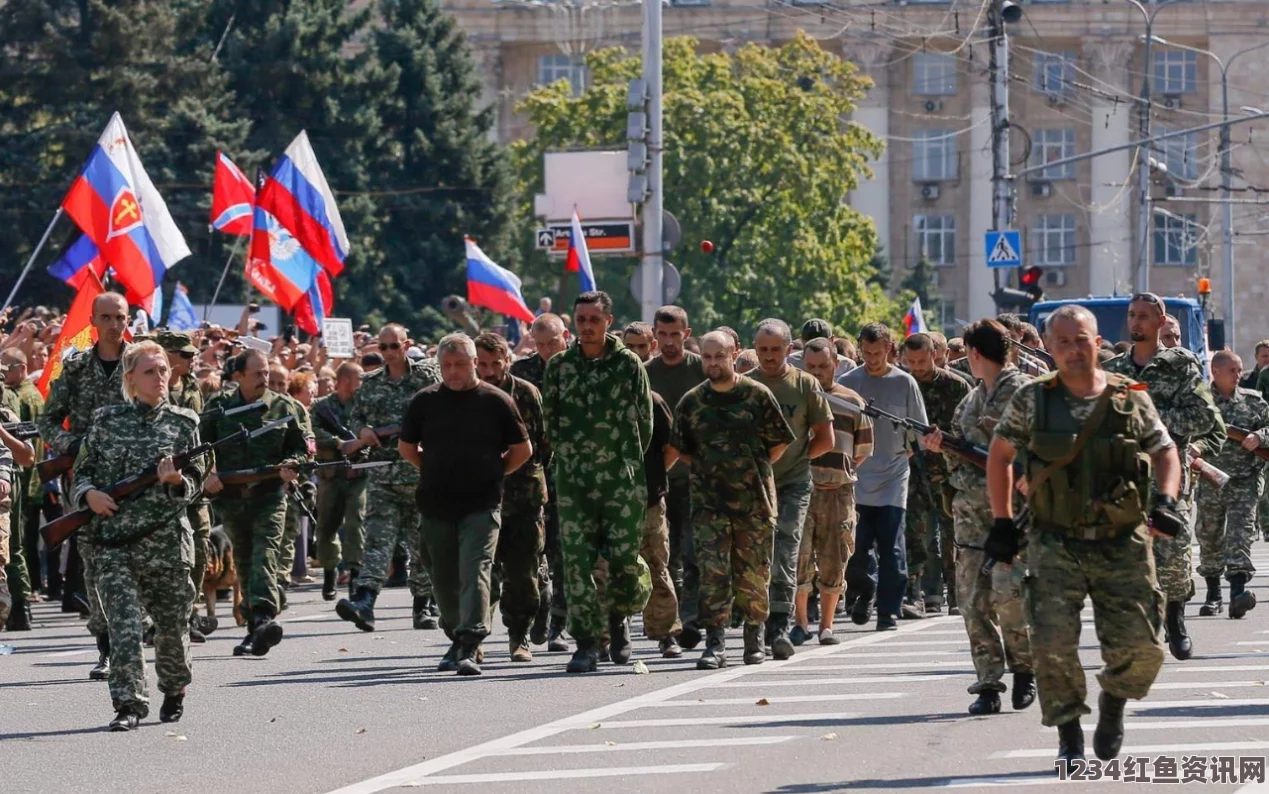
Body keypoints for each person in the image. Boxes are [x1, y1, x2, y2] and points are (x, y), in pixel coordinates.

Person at [987, 304, 1183, 768]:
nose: (1074, 350)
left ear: (1098, 343)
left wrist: (1167, 501)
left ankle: (1113, 701)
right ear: (1050, 348)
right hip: (1055, 541)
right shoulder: (1033, 399)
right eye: (1063, 342)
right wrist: (1001, 521)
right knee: (1052, 644)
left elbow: (1166, 451)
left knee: (1142, 645)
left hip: (1123, 540)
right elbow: (1000, 456)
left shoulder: (1129, 398)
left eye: (1082, 340)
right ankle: (1069, 734)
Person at [72, 341, 206, 730]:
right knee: (125, 626)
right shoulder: (106, 421)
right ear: (131, 378)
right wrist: (89, 495)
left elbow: (198, 481)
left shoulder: (185, 423)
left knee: (171, 630)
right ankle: (128, 704)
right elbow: (83, 472)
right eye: (150, 371)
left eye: (164, 369)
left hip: (166, 544)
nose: (160, 377)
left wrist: (177, 480)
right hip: (115, 544)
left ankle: (175, 687)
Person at [400, 334, 531, 676]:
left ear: (475, 363)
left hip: (481, 504)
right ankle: (457, 635)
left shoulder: (496, 401)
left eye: (460, 364)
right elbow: (407, 447)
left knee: (475, 569)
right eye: (447, 366)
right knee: (443, 577)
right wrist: (430, 468)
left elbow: (522, 450)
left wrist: (494, 472)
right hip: (436, 504)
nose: (454, 372)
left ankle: (470, 640)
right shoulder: (424, 402)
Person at [1103, 292, 1223, 660]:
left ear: (1160, 321)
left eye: (1143, 316)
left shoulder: (1180, 365)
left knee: (1173, 557)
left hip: (1169, 476)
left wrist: (1152, 418)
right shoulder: (1116, 370)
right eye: (1131, 315)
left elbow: (1205, 419)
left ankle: (1175, 617)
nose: (1136, 322)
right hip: (1125, 477)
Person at [926, 319, 1035, 716]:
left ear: (974, 353)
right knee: (973, 603)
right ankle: (988, 682)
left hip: (1015, 517)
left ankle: (1025, 670)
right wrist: (943, 447)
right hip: (971, 515)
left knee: (1010, 598)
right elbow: (962, 447)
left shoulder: (1023, 391)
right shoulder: (971, 400)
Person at [542, 291, 653, 673]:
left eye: (594, 319)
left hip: (621, 483)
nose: (586, 326)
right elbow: (550, 421)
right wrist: (573, 457)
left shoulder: (628, 365)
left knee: (622, 560)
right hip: (574, 481)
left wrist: (622, 461)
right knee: (576, 563)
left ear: (608, 320)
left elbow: (646, 424)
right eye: (581, 319)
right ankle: (587, 642)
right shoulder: (559, 366)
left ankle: (620, 621)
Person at [669, 331, 794, 668]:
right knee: (713, 574)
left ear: (734, 354)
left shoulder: (757, 395)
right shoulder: (692, 401)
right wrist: (713, 470)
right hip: (710, 505)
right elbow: (682, 449)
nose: (712, 363)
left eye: (719, 356)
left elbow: (779, 442)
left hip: (754, 503)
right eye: (707, 357)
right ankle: (716, 642)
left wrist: (753, 467)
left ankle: (754, 639)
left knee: (753, 573)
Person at [38, 292, 132, 680]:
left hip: (134, 478)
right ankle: (106, 648)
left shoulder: (142, 363)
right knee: (95, 565)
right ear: (93, 320)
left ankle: (135, 640)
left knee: (135, 563)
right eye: (106, 317)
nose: (114, 325)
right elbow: (48, 421)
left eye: (120, 317)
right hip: (88, 479)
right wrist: (71, 447)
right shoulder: (75, 369)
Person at [202, 350, 312, 657]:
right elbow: (199, 448)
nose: (265, 379)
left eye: (267, 373)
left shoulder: (286, 407)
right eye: (257, 374)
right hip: (232, 498)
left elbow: (305, 449)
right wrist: (208, 474)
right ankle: (256, 627)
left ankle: (264, 616)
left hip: (269, 494)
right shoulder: (218, 407)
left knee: (265, 555)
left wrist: (293, 464)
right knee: (246, 562)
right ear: (238, 376)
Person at [336, 324, 441, 634]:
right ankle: (365, 601)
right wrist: (364, 432)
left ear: (406, 345)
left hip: (419, 473)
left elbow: (440, 413)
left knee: (422, 545)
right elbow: (356, 418)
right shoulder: (369, 383)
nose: (388, 353)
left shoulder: (426, 378)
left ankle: (423, 604)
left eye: (393, 346)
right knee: (378, 542)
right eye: (382, 348)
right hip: (382, 473)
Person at [749, 319, 833, 658]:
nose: (769, 356)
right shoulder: (745, 385)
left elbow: (825, 439)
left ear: (789, 350)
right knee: (755, 553)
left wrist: (797, 458)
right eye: (763, 350)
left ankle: (780, 626)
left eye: (775, 349)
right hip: (754, 484)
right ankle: (753, 622)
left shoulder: (804, 385)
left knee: (785, 549)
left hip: (793, 483)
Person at [839, 323, 928, 631]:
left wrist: (903, 458)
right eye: (866, 353)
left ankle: (888, 612)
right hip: (856, 479)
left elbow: (918, 433)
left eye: (877, 353)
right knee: (856, 548)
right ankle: (864, 591)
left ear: (889, 348)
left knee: (892, 547)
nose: (872, 359)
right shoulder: (848, 382)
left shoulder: (904, 383)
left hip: (892, 477)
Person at [474, 332, 547, 662]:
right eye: (483, 364)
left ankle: (519, 636)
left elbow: (544, 444)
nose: (490, 371)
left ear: (507, 360)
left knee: (522, 572)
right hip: (479, 496)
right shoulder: (469, 396)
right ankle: (474, 635)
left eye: (495, 363)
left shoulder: (526, 394)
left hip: (523, 496)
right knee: (480, 571)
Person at [794, 339, 872, 645]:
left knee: (835, 556)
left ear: (835, 365)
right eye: (810, 367)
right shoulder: (797, 398)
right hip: (801, 487)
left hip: (838, 489)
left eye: (823, 366)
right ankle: (801, 622)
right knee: (799, 556)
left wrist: (841, 466)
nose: (816, 372)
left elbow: (863, 448)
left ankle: (827, 625)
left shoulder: (851, 401)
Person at [644, 305, 705, 648]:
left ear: (686, 333)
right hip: (659, 480)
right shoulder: (645, 373)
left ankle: (692, 619)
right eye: (662, 334)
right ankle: (670, 627)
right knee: (666, 558)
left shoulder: (701, 369)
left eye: (674, 334)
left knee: (695, 553)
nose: (668, 342)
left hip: (696, 478)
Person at [621, 322, 683, 658]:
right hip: (613, 500)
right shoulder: (606, 398)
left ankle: (665, 633)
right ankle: (613, 634)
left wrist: (655, 477)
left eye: (639, 348)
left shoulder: (653, 401)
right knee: (610, 567)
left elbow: (671, 448)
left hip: (648, 499)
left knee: (657, 565)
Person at [899, 333, 970, 618]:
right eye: (911, 361)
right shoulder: (902, 384)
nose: (916, 367)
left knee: (953, 536)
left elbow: (968, 429)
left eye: (921, 360)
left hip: (949, 471)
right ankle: (914, 596)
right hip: (913, 469)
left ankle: (955, 594)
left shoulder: (955, 386)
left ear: (934, 354)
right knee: (915, 534)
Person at [511, 312, 569, 650]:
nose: (547, 349)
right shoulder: (522, 374)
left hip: (568, 473)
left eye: (553, 342)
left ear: (566, 336)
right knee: (534, 550)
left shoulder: (578, 368)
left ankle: (558, 624)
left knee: (561, 552)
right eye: (540, 344)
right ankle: (541, 609)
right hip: (532, 475)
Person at [1195, 350, 1264, 619]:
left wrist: (1259, 436)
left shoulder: (1254, 402)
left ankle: (1238, 593)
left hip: (1243, 480)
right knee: (1210, 536)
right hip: (1210, 479)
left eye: (1240, 370)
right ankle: (1214, 595)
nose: (1239, 375)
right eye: (1232, 371)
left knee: (1240, 534)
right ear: (1215, 371)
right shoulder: (1199, 402)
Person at [155, 331, 214, 643]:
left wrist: (208, 470)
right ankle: (155, 618)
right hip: (158, 484)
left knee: (199, 549)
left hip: (193, 481)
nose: (193, 360)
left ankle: (190, 614)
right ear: (167, 354)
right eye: (186, 355)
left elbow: (201, 436)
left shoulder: (192, 386)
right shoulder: (149, 386)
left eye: (193, 355)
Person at [310, 362, 369, 601]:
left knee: (357, 519)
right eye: (359, 378)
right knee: (327, 524)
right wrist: (338, 443)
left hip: (359, 474)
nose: (362, 383)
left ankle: (355, 573)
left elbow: (373, 431)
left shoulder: (364, 407)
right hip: (331, 474)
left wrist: (360, 446)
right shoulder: (322, 407)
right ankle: (329, 572)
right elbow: (312, 432)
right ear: (345, 380)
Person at [2, 349, 43, 632]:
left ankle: (20, 610)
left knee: (13, 547)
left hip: (8, 482)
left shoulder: (6, 411)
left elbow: (28, 456)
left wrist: (1, 432)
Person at [788, 319, 852, 380]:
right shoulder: (790, 362)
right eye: (810, 344)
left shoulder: (847, 366)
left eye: (821, 344)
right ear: (801, 340)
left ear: (831, 340)